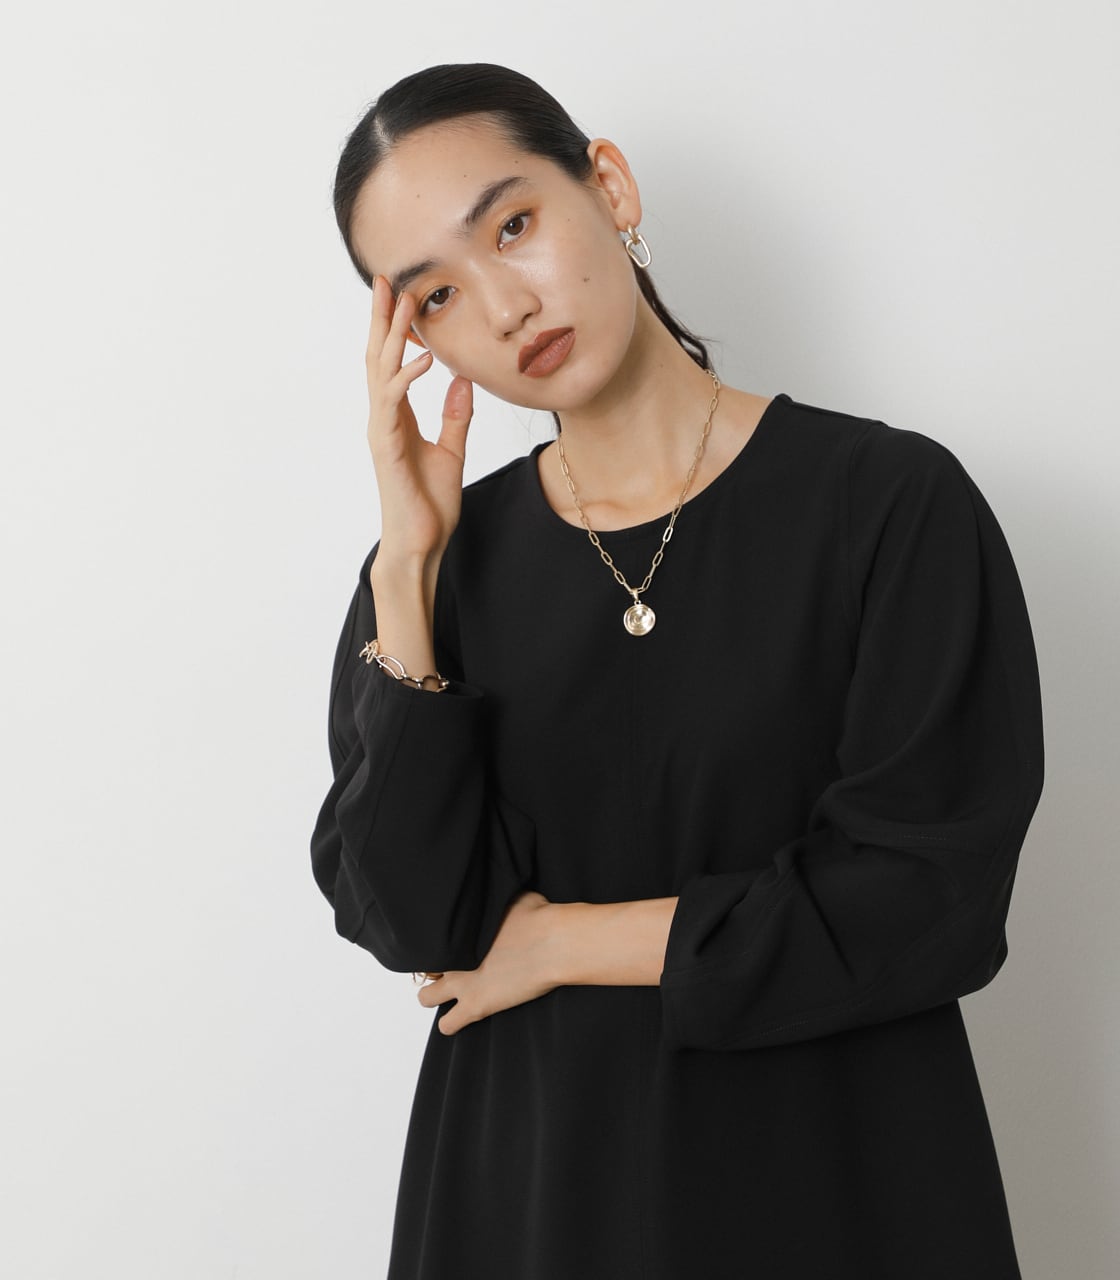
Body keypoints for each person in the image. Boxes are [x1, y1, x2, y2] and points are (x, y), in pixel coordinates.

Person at [309, 62, 1045, 1280]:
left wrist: (561, 943)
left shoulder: (886, 504)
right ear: (412, 342)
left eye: (513, 225)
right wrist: (407, 565)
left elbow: (929, 901)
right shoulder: (431, 576)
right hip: (532, 1200)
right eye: (435, 294)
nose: (503, 305)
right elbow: (413, 920)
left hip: (841, 1184)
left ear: (607, 185)